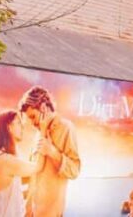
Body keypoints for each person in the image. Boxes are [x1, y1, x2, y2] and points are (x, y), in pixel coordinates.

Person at [19, 86, 80, 217]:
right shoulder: (38, 134)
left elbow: (74, 170)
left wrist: (52, 152)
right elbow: (33, 172)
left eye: (32, 117)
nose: (32, 123)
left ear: (43, 108)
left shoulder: (66, 128)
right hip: (30, 211)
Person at [0, 110, 43, 217]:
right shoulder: (5, 161)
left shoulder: (9, 157)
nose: (23, 126)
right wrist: (43, 132)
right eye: (19, 123)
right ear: (9, 127)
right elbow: (37, 167)